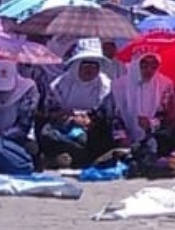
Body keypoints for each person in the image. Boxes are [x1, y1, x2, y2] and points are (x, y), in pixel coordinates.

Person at [39, 39, 118, 168]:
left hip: (91, 130)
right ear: (77, 65)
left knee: (99, 138)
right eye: (86, 65)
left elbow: (107, 114)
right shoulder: (59, 85)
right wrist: (69, 118)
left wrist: (89, 120)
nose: (90, 70)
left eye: (94, 66)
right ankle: (72, 157)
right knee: (46, 134)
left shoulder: (106, 86)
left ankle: (72, 157)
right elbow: (50, 111)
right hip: (63, 129)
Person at [112, 51, 173, 157]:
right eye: (144, 65)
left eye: (154, 66)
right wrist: (121, 137)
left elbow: (166, 115)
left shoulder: (165, 84)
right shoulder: (118, 85)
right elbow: (114, 115)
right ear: (135, 64)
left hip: (155, 139)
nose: (149, 70)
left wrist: (151, 123)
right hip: (123, 141)